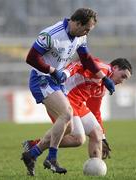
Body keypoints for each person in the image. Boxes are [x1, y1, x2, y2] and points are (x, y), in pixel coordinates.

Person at [21, 8, 116, 176]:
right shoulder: (52, 34)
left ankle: (32, 153)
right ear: (77, 23)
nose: (87, 33)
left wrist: (103, 78)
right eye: (86, 29)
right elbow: (31, 57)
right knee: (66, 113)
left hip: (56, 82)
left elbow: (86, 59)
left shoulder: (80, 37)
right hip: (41, 79)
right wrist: (51, 70)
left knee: (72, 131)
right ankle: (52, 158)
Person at [22, 57, 132, 175]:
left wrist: (103, 137)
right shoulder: (103, 69)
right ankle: (35, 149)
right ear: (114, 68)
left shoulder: (104, 87)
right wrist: (65, 74)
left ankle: (96, 171)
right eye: (123, 76)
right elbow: (78, 64)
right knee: (78, 139)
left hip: (78, 104)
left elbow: (95, 110)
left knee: (97, 134)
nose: (122, 81)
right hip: (65, 97)